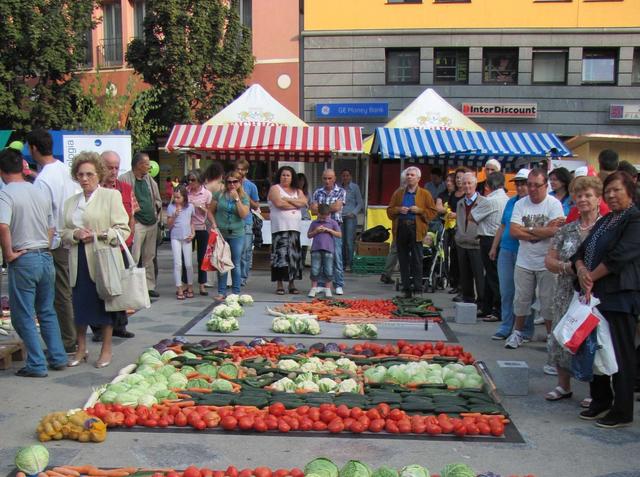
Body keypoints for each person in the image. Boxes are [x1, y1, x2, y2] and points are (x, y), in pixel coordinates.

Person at [572, 171, 640, 428]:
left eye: (617, 191)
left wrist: (589, 276)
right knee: (595, 348)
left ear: (629, 192)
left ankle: (622, 410)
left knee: (621, 353)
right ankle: (600, 400)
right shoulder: (606, 220)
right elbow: (581, 250)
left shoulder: (634, 219)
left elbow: (619, 257)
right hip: (595, 295)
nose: (611, 195)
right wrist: (580, 269)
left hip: (620, 295)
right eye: (608, 191)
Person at [0, 147, 67, 377]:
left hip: (24, 257)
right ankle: (58, 357)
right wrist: (44, 245)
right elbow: (51, 226)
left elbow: (3, 225)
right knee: (47, 311)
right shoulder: (38, 191)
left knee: (23, 315)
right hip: (44, 255)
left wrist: (8, 254)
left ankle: (36, 363)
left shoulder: (6, 194)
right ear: (22, 167)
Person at [62, 152, 130, 369]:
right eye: (80, 174)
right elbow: (63, 232)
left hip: (102, 258)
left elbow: (123, 229)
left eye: (89, 174)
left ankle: (106, 349)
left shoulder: (110, 196)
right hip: (77, 258)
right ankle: (81, 349)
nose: (84, 178)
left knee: (104, 305)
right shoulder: (71, 201)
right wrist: (75, 235)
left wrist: (99, 235)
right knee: (79, 305)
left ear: (98, 174)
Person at [543, 176, 602, 401]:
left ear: (598, 199)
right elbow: (549, 261)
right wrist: (568, 267)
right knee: (561, 336)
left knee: (592, 340)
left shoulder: (604, 227)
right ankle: (563, 385)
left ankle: (594, 390)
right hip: (566, 290)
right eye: (579, 195)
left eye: (588, 195)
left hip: (593, 292)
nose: (583, 199)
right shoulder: (566, 230)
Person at [28, 128, 80, 353]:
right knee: (72, 290)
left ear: (33, 149)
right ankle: (75, 338)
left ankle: (67, 340)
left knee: (60, 294)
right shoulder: (65, 170)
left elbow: (43, 216)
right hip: (75, 234)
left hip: (56, 240)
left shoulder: (43, 180)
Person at [505, 168, 565, 349]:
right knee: (521, 299)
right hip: (524, 260)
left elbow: (555, 231)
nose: (532, 189)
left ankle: (550, 337)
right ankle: (517, 333)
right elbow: (514, 231)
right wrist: (541, 231)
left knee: (548, 302)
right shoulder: (520, 204)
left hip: (547, 261)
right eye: (529, 185)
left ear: (545, 186)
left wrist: (527, 231)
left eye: (536, 185)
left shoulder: (553, 204)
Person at [93, 150, 139, 341]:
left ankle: (120, 325)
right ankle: (98, 328)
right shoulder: (94, 190)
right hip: (101, 246)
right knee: (101, 287)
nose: (113, 171)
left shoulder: (126, 188)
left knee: (121, 287)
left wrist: (130, 239)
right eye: (109, 167)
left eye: (116, 167)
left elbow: (132, 216)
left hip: (122, 244)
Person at [490, 169, 535, 341]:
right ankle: (506, 326)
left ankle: (525, 329)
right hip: (506, 249)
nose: (520, 187)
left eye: (523, 183)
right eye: (518, 184)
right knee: (506, 291)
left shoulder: (532, 204)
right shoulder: (511, 202)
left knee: (525, 293)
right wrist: (495, 246)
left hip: (524, 251)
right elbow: (502, 225)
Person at [387, 166, 437, 298]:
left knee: (417, 259)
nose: (409, 177)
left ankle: (418, 288)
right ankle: (406, 288)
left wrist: (419, 211)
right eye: (408, 175)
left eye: (412, 175)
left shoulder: (425, 194)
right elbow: (390, 211)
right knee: (403, 259)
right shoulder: (399, 193)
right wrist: (398, 209)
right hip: (402, 227)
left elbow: (432, 213)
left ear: (418, 178)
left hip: (416, 228)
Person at [119, 152, 162, 298]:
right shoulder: (125, 179)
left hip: (151, 223)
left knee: (149, 256)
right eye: (146, 163)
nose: (149, 166)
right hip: (137, 223)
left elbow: (157, 199)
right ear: (138, 165)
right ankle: (131, 287)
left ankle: (149, 286)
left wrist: (157, 213)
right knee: (134, 256)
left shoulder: (149, 179)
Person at [471, 171, 509, 321]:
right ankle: (487, 306)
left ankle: (497, 309)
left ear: (487, 185)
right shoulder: (507, 199)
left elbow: (472, 216)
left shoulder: (489, 200)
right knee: (491, 275)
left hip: (489, 238)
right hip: (500, 238)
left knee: (493, 276)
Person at [210, 171, 250, 299]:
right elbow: (210, 211)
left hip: (237, 233)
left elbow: (244, 215)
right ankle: (221, 292)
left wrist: (237, 199)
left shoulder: (244, 197)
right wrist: (214, 224)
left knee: (235, 263)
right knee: (222, 261)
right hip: (221, 233)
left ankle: (236, 292)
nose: (232, 184)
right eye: (229, 182)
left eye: (235, 182)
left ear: (240, 183)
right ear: (225, 183)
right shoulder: (219, 195)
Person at [268, 166, 306, 295]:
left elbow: (303, 203)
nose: (285, 177)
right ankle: (279, 284)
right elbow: (279, 204)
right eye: (283, 175)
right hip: (280, 228)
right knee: (280, 256)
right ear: (279, 176)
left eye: (288, 175)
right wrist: (295, 203)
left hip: (294, 229)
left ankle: (292, 284)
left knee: (293, 257)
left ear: (292, 177)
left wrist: (289, 199)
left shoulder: (297, 190)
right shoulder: (275, 189)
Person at [310, 169, 346, 295]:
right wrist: (326, 209)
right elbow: (313, 210)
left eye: (330, 178)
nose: (327, 181)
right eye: (325, 178)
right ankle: (321, 284)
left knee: (336, 257)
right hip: (319, 228)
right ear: (322, 178)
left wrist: (322, 209)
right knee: (320, 257)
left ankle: (338, 284)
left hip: (334, 226)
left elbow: (337, 207)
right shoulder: (317, 192)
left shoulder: (341, 191)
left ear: (334, 178)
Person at [454, 172, 485, 307]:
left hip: (476, 244)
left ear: (475, 184)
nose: (467, 186)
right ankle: (468, 300)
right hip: (462, 243)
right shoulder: (460, 203)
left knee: (479, 276)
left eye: (469, 183)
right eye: (464, 183)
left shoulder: (483, 202)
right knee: (465, 276)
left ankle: (482, 303)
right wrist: (458, 236)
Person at [186, 170, 214, 296]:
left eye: (193, 180)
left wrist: (201, 208)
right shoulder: (185, 191)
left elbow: (208, 211)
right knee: (186, 258)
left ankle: (202, 285)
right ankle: (187, 284)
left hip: (201, 227)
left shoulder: (206, 193)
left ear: (199, 181)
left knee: (202, 258)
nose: (191, 183)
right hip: (187, 228)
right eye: (189, 180)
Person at [234, 159, 260, 287]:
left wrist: (245, 197)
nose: (240, 171)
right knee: (235, 252)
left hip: (247, 221)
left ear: (246, 171)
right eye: (238, 169)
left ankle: (243, 277)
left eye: (242, 169)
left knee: (245, 251)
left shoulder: (251, 186)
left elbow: (256, 206)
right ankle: (235, 277)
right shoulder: (230, 184)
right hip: (233, 221)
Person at [167, 185, 195, 300]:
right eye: (175, 197)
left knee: (188, 264)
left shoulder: (190, 207)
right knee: (178, 263)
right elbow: (169, 225)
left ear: (184, 197)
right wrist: (174, 215)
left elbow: (192, 221)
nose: (176, 200)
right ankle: (179, 287)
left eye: (178, 197)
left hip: (187, 237)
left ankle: (190, 286)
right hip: (175, 237)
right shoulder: (171, 207)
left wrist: (193, 233)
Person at [307, 204, 341, 298]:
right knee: (315, 269)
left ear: (329, 214)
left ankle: (328, 288)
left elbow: (339, 234)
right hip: (316, 249)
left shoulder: (333, 222)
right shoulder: (314, 223)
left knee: (329, 269)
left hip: (329, 249)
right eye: (321, 217)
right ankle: (313, 288)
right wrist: (316, 231)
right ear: (318, 214)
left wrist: (329, 230)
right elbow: (309, 235)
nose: (322, 219)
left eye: (325, 217)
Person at [448, 168, 469, 298]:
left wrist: (457, 215)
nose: (458, 180)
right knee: (454, 257)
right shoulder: (453, 195)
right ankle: (455, 285)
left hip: (463, 229)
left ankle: (463, 286)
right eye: (457, 177)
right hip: (452, 228)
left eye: (461, 177)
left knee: (462, 259)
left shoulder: (467, 196)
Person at [340, 169, 364, 273]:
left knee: (349, 242)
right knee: (340, 242)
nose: (345, 177)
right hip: (340, 217)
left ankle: (349, 264)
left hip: (350, 217)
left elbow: (360, 203)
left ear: (350, 177)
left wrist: (353, 213)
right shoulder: (338, 188)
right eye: (344, 175)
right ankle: (341, 263)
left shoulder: (355, 187)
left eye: (347, 175)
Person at [297, 173, 312, 266]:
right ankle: (297, 261)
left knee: (305, 242)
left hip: (305, 219)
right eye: (299, 180)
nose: (300, 182)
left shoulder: (307, 193)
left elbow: (311, 205)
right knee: (297, 241)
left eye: (302, 180)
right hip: (296, 219)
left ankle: (302, 261)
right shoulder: (293, 192)